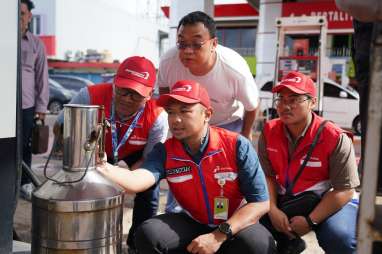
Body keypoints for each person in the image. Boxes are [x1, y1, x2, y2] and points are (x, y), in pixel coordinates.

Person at [97, 80, 277, 254]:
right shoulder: (166, 151)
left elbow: (260, 203)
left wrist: (218, 236)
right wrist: (104, 167)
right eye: (170, 112)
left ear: (207, 114)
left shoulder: (237, 145)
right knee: (148, 235)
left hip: (232, 223)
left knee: (259, 245)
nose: (175, 120)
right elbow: (138, 180)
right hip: (193, 221)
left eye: (185, 111)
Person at [54, 56, 169, 253]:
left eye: (135, 94)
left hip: (136, 155)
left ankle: (138, 243)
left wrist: (123, 180)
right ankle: (76, 237)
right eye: (122, 90)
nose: (126, 98)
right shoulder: (89, 95)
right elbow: (60, 126)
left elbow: (149, 161)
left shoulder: (158, 116)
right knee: (79, 185)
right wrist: (76, 158)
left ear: (149, 94)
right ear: (114, 82)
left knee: (149, 190)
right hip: (92, 149)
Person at [258, 71, 360, 254]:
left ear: (313, 102)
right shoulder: (269, 130)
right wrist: (272, 209)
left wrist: (310, 221)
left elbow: (345, 189)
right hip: (285, 201)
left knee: (340, 237)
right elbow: (267, 176)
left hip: (329, 201)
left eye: (295, 99)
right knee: (250, 233)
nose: (285, 106)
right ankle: (289, 243)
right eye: (281, 99)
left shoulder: (335, 137)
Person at [158, 11, 259, 140]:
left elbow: (252, 106)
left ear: (214, 44)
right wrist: (179, 117)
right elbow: (164, 89)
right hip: (188, 123)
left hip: (226, 124)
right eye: (182, 44)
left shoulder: (235, 69)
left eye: (196, 44)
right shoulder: (168, 61)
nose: (188, 51)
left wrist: (246, 134)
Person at [20, 0, 49, 200]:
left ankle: (25, 184)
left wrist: (41, 107)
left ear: (29, 16)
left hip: (26, 106)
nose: (18, 18)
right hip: (4, 108)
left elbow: (42, 78)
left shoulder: (36, 45)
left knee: (25, 147)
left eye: (22, 13)